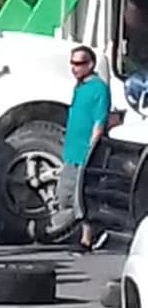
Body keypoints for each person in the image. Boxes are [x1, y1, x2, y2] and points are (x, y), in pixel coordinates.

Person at [51, 45, 112, 254]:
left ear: (90, 64)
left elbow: (99, 121)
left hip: (86, 152)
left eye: (78, 63)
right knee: (65, 195)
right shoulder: (79, 87)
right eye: (72, 63)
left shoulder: (99, 88)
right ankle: (89, 232)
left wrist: (92, 150)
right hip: (72, 152)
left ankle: (87, 239)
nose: (74, 68)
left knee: (82, 197)